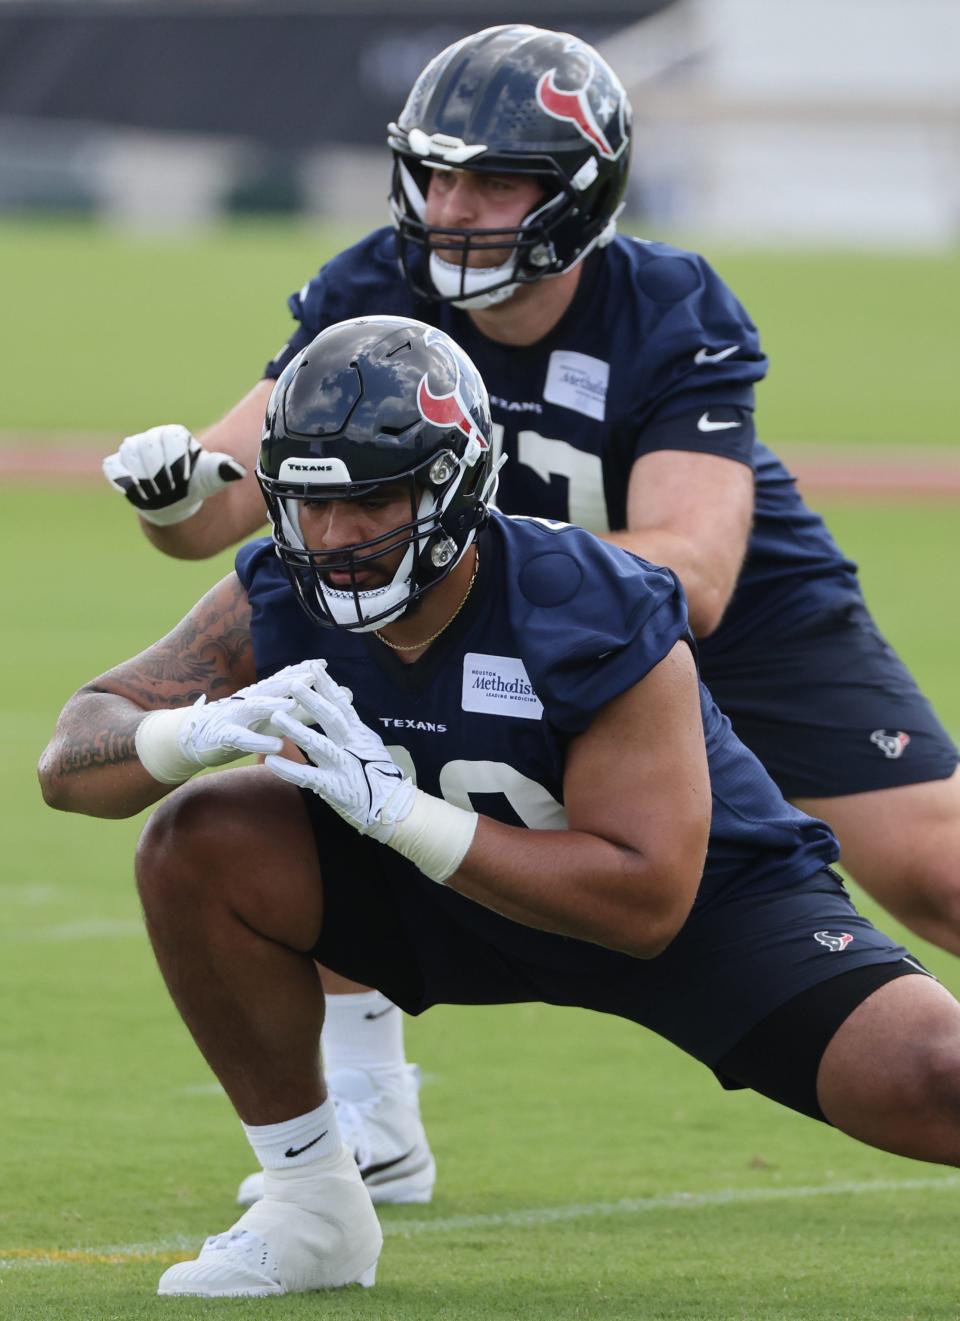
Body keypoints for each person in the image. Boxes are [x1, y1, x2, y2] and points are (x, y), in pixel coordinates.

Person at [101, 23, 960, 1208]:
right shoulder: (374, 287)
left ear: (578, 190)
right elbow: (223, 517)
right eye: (437, 173)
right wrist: (174, 496)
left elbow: (694, 575)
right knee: (356, 734)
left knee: (938, 873)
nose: (454, 207)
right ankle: (368, 1107)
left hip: (745, 631)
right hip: (469, 617)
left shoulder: (664, 301)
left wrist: (457, 550)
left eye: (496, 178)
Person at [42, 317, 960, 1299]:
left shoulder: (586, 600)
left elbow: (645, 900)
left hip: (707, 911)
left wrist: (396, 814)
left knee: (935, 1078)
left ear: (455, 485)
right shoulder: (278, 585)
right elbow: (70, 757)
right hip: (450, 901)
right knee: (201, 835)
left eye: (372, 499)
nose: (337, 536)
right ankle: (312, 1202)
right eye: (310, 503)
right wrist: (188, 734)